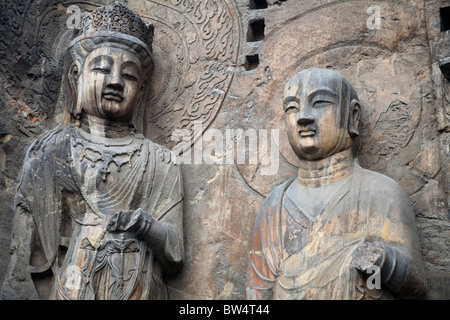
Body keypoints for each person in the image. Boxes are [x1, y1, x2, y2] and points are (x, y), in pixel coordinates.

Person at [1, 2, 184, 300]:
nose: (115, 82)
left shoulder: (161, 161)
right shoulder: (50, 152)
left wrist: (146, 225)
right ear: (76, 75)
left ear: (142, 88)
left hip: (139, 286)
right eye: (101, 67)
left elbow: (175, 251)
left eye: (129, 75)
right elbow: (22, 265)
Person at [245, 68, 427, 300]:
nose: (303, 116)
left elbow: (416, 285)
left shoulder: (381, 192)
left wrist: (382, 260)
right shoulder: (274, 205)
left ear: (353, 116)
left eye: (319, 103)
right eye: (292, 107)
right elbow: (257, 291)